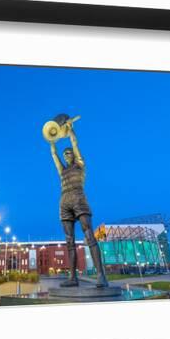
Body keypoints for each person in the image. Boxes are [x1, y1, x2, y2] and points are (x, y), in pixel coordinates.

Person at [49, 116, 108, 288]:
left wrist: (70, 130)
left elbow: (74, 142)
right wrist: (51, 140)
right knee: (69, 241)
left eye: (69, 153)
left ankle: (101, 276)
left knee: (89, 235)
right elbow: (53, 154)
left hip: (79, 199)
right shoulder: (63, 170)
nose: (67, 154)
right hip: (64, 203)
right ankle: (73, 278)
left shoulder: (80, 164)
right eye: (65, 153)